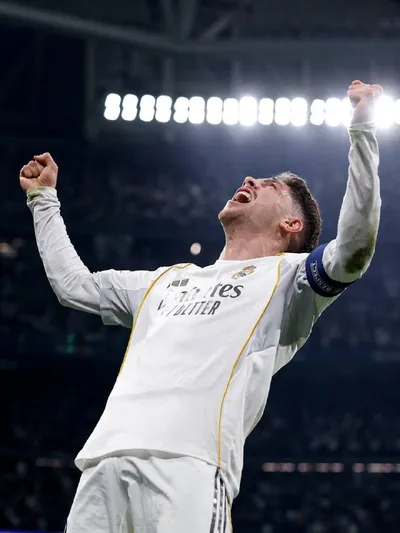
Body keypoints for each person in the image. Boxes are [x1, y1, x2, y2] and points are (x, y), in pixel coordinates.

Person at [20, 80, 381, 533]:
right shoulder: (164, 281)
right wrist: (43, 200)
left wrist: (362, 131)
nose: (249, 180)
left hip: (190, 467)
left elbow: (354, 249)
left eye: (269, 185)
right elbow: (74, 286)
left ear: (291, 224)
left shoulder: (290, 281)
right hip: (104, 463)